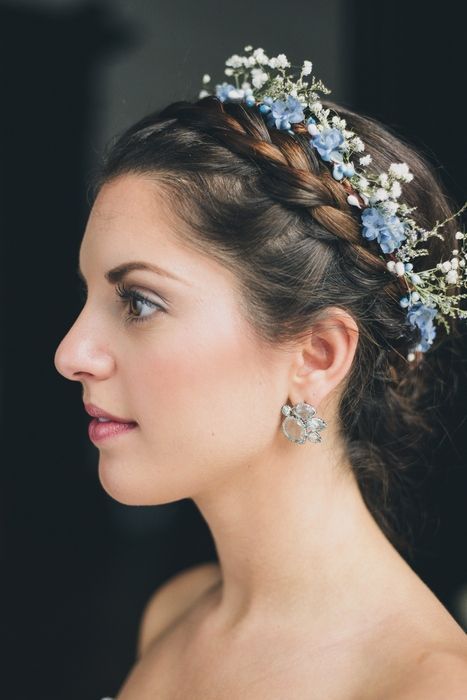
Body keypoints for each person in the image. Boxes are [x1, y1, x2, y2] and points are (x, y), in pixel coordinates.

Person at [54, 46, 467, 698]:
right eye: (89, 298)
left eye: (138, 302)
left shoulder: (427, 686)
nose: (70, 354)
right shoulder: (173, 614)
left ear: (316, 355)